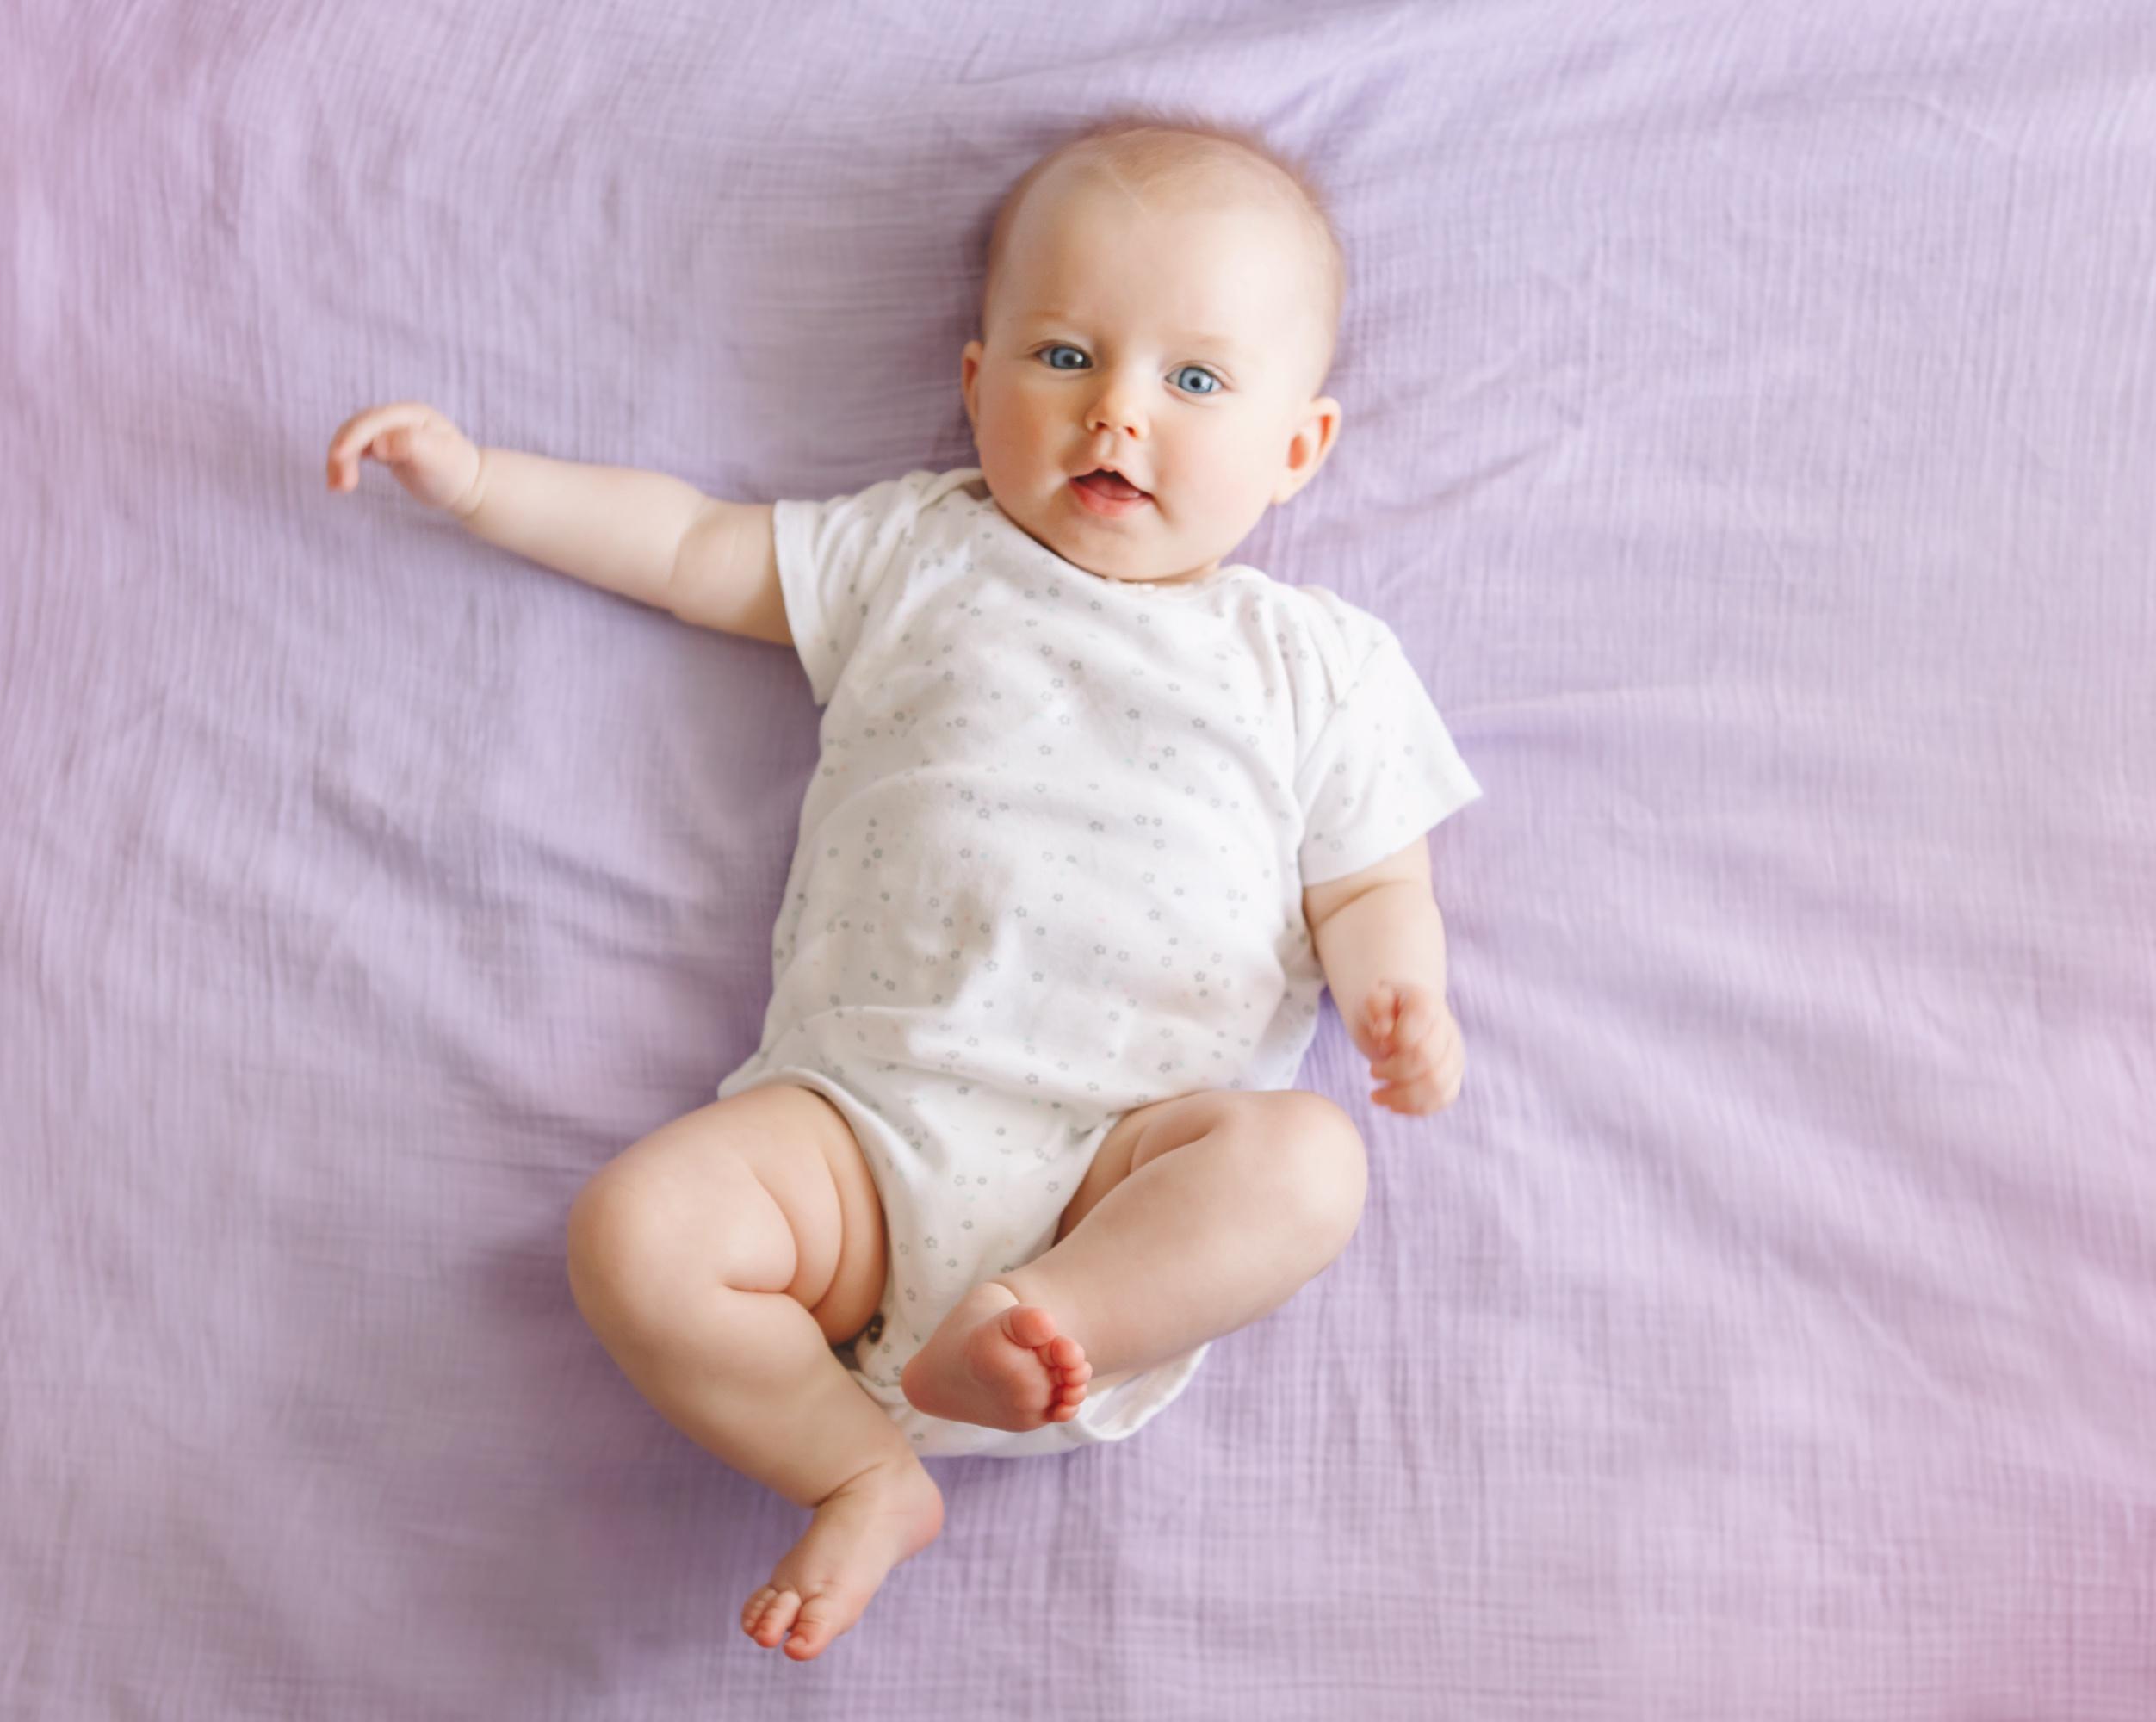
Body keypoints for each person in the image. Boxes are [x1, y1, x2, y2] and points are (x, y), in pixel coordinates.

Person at [324, 111, 1481, 1663]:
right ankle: (861, 1470)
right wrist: (479, 483)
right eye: (1063, 356)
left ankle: (1056, 1319)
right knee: (638, 1232)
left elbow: (1372, 877)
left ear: (1297, 447)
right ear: (972, 380)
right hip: (862, 1140)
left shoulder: (1316, 663)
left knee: (1305, 1167)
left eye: (1191, 381)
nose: (1115, 416)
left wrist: (1401, 986)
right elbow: (683, 542)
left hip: (1118, 1162)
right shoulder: (915, 555)